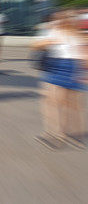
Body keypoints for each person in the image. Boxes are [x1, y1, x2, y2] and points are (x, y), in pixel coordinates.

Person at [31, 10, 87, 150]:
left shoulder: (56, 31)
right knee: (73, 105)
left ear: (60, 20)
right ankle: (77, 137)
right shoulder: (79, 35)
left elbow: (36, 45)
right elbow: (85, 56)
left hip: (59, 66)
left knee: (50, 102)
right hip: (75, 67)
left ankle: (55, 134)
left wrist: (45, 40)